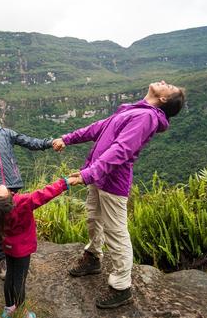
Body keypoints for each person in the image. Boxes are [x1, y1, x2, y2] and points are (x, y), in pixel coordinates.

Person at [52, 80, 185, 309]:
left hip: (112, 180)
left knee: (116, 231)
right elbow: (97, 128)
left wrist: (89, 173)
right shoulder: (133, 110)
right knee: (93, 218)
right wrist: (67, 138)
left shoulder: (147, 117)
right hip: (97, 174)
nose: (164, 82)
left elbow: (121, 149)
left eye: (168, 86)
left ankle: (121, 287)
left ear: (163, 99)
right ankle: (93, 257)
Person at [0, 105, 54, 280]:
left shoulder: (7, 133)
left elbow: (28, 141)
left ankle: (16, 258)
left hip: (12, 184)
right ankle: (1, 260)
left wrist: (48, 143)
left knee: (16, 222)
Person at [0, 177, 70, 318]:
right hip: (22, 250)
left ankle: (9, 308)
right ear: (3, 200)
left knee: (10, 276)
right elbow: (44, 194)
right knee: (20, 280)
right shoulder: (22, 203)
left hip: (8, 247)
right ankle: (22, 311)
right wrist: (64, 183)